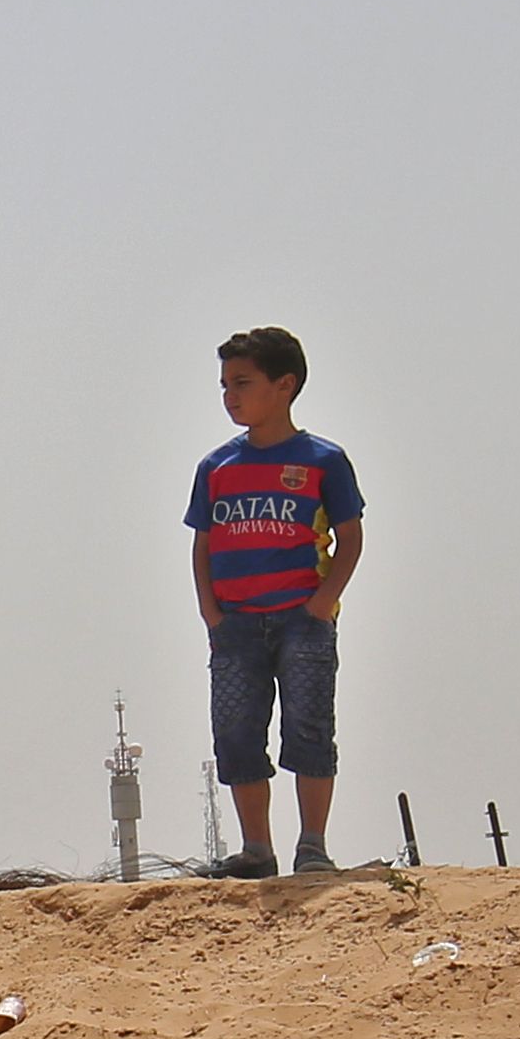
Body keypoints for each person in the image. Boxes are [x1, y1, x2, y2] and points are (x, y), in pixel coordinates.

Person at [188, 326, 363, 877]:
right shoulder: (216, 467)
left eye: (243, 382)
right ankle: (257, 850)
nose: (230, 396)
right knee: (237, 731)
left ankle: (312, 844)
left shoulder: (323, 459)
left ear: (284, 385)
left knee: (309, 727)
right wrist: (212, 614)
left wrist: (321, 604)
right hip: (237, 623)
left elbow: (351, 536)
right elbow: (203, 543)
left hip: (301, 620)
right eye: (224, 385)